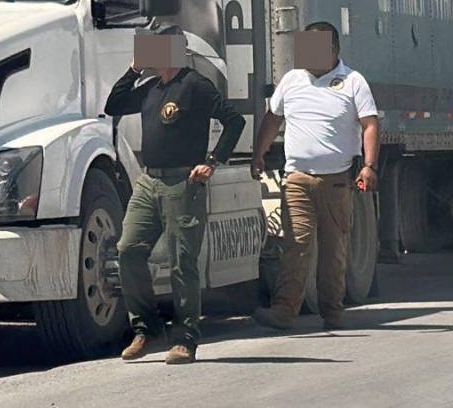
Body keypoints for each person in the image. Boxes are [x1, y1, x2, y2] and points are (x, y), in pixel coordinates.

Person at [106, 24, 245, 365]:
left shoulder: (194, 85)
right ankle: (147, 329)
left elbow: (234, 121)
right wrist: (134, 68)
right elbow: (114, 104)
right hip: (148, 180)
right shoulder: (151, 87)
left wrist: (212, 162)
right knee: (128, 250)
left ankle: (185, 338)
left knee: (182, 262)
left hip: (184, 182)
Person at [250, 21, 380, 331]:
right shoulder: (292, 80)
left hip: (336, 181)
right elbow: (272, 119)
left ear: (334, 50)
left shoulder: (352, 82)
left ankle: (332, 312)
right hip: (297, 179)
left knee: (333, 249)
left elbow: (370, 125)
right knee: (297, 245)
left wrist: (369, 166)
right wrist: (259, 154)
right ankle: (284, 311)